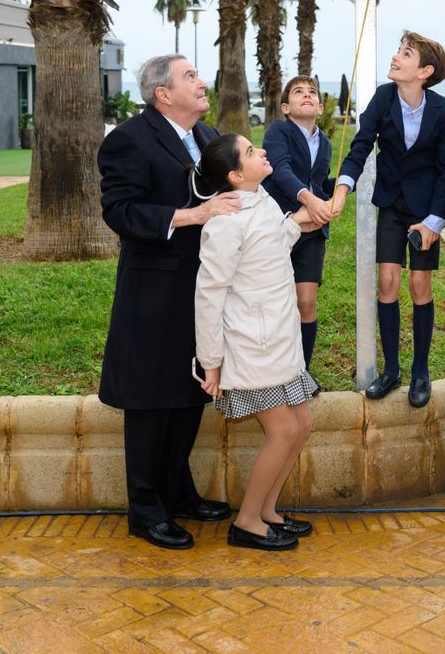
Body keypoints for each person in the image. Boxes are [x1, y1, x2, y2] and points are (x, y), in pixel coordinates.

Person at [97, 55, 238, 550]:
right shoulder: (128, 140)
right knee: (150, 401)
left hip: (202, 289)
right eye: (191, 77)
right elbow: (120, 210)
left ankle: (180, 494)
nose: (202, 83)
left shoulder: (206, 137)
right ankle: (145, 509)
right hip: (153, 291)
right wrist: (191, 216)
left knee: (190, 391)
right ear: (162, 93)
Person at [194, 134, 322, 551]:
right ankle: (246, 522)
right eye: (251, 152)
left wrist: (299, 222)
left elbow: (271, 242)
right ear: (234, 175)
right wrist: (211, 362)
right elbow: (209, 293)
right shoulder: (225, 221)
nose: (262, 151)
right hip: (252, 344)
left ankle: (268, 512)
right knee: (283, 431)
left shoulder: (262, 199)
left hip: (281, 338)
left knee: (301, 425)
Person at [330, 32, 445, 407]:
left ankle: (421, 371)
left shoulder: (444, 110)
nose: (395, 57)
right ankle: (391, 370)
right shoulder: (383, 98)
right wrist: (343, 186)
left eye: (406, 54)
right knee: (388, 282)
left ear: (424, 71)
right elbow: (360, 146)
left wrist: (435, 221)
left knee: (420, 285)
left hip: (425, 210)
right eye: (398, 51)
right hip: (391, 203)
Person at [262, 76, 335, 370]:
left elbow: (317, 184)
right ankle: (275, 368)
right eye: (298, 92)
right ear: (286, 107)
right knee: (278, 304)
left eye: (312, 93)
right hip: (280, 226)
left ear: (319, 107)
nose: (306, 95)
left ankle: (301, 370)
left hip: (313, 233)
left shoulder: (326, 142)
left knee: (306, 302)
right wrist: (309, 200)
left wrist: (342, 187)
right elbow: (280, 170)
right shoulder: (279, 131)